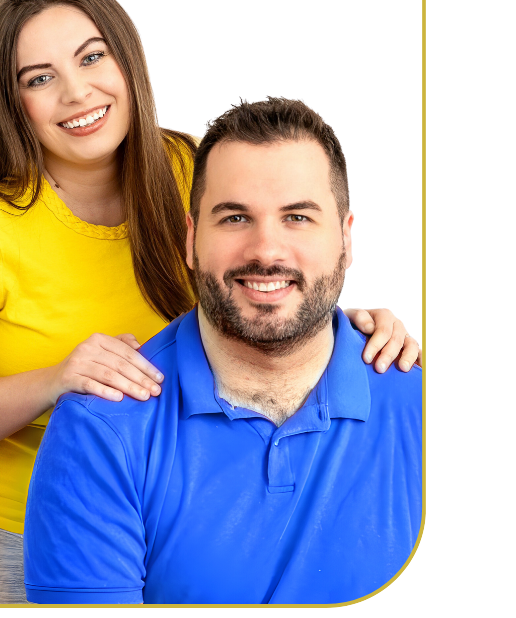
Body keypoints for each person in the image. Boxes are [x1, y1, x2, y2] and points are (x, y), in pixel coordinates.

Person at [0, 0, 420, 604]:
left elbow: (261, 275)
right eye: (39, 78)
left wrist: (339, 321)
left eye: (92, 57)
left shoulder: (184, 167)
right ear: (13, 104)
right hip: (11, 529)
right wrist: (57, 380)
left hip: (180, 500)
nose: (76, 91)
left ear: (128, 57)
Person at [22, 97, 422, 605]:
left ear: (345, 239)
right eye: (235, 218)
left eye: (297, 217)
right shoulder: (99, 431)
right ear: (191, 239)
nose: (267, 251)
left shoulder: (422, 403)